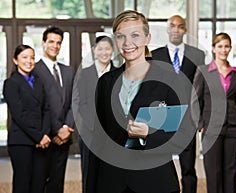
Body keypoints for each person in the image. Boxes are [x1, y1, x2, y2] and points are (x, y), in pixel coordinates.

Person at [95, 10, 193, 193]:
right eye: (121, 36)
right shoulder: (105, 82)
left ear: (147, 38)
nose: (128, 43)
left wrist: (149, 134)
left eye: (135, 35)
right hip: (111, 182)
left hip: (154, 181)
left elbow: (184, 136)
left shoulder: (170, 80)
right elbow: (98, 141)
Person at [151, 14, 206, 193]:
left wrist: (201, 118)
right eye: (172, 26)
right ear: (167, 29)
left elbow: (201, 89)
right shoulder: (155, 55)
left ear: (185, 30)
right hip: (163, 118)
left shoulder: (197, 55)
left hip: (187, 119)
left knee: (188, 166)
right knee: (161, 165)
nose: (176, 29)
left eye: (180, 26)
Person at [193, 33, 236, 193]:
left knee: (230, 172)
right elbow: (195, 100)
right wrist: (200, 124)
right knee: (213, 172)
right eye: (220, 46)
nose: (224, 50)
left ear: (230, 48)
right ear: (214, 48)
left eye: (227, 46)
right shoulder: (203, 71)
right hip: (211, 128)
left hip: (234, 127)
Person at [3, 44, 51, 193]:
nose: (29, 61)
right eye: (24, 57)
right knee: (23, 184)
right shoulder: (11, 83)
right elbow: (19, 115)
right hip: (21, 142)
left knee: (39, 184)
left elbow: (46, 109)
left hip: (41, 141)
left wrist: (44, 134)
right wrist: (38, 136)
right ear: (15, 60)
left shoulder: (38, 82)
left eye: (32, 58)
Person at [33, 26, 75, 193]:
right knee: (39, 183)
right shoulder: (34, 70)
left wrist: (66, 128)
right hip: (44, 137)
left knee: (57, 184)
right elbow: (38, 106)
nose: (55, 46)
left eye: (58, 43)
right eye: (51, 42)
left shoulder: (68, 71)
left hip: (64, 138)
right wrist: (56, 129)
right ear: (43, 43)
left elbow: (75, 102)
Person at [75, 35, 116, 193]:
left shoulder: (120, 73)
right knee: (89, 173)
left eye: (107, 48)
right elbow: (82, 102)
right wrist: (95, 125)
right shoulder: (85, 74)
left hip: (113, 133)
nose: (104, 52)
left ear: (113, 50)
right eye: (100, 49)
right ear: (94, 51)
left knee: (112, 174)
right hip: (90, 132)